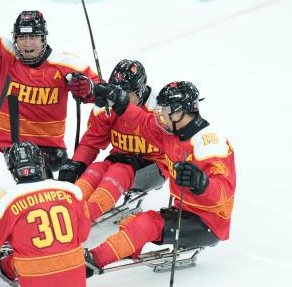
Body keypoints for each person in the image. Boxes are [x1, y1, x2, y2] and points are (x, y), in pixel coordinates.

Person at [84, 81, 236, 271]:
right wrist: (119, 102)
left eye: (165, 109)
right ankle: (127, 247)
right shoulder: (172, 133)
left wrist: (201, 184)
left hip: (208, 222)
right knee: (131, 222)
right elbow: (143, 122)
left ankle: (93, 261)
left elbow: (223, 194)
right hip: (183, 210)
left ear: (180, 111)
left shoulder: (210, 145)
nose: (161, 114)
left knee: (146, 224)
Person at [0, 0, 99, 175]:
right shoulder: (4, 55)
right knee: (35, 180)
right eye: (22, 37)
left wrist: (88, 88)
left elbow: (101, 91)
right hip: (15, 146)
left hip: (52, 149)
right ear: (15, 38)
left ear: (43, 38)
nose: (27, 43)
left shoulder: (65, 64)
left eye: (33, 36)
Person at [0, 140, 91, 287]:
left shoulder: (1, 201)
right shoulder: (71, 190)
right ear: (41, 162)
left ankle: (7, 267)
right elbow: (82, 235)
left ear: (11, 168)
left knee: (19, 250)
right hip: (76, 280)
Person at [58, 59, 166, 221]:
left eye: (125, 94)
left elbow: (162, 137)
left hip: (154, 165)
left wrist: (125, 109)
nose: (119, 98)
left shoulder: (160, 108)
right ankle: (64, 211)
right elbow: (93, 139)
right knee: (94, 171)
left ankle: (81, 220)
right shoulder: (107, 106)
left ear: (140, 91)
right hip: (121, 159)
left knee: (117, 173)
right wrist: (77, 164)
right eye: (116, 92)